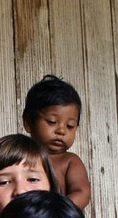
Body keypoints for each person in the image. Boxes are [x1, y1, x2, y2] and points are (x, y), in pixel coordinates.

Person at [22, 75, 91, 209]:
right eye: (52, 122)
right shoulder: (18, 157)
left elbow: (82, 192)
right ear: (29, 122)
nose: (61, 131)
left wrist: (54, 214)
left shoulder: (69, 161)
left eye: (70, 126)